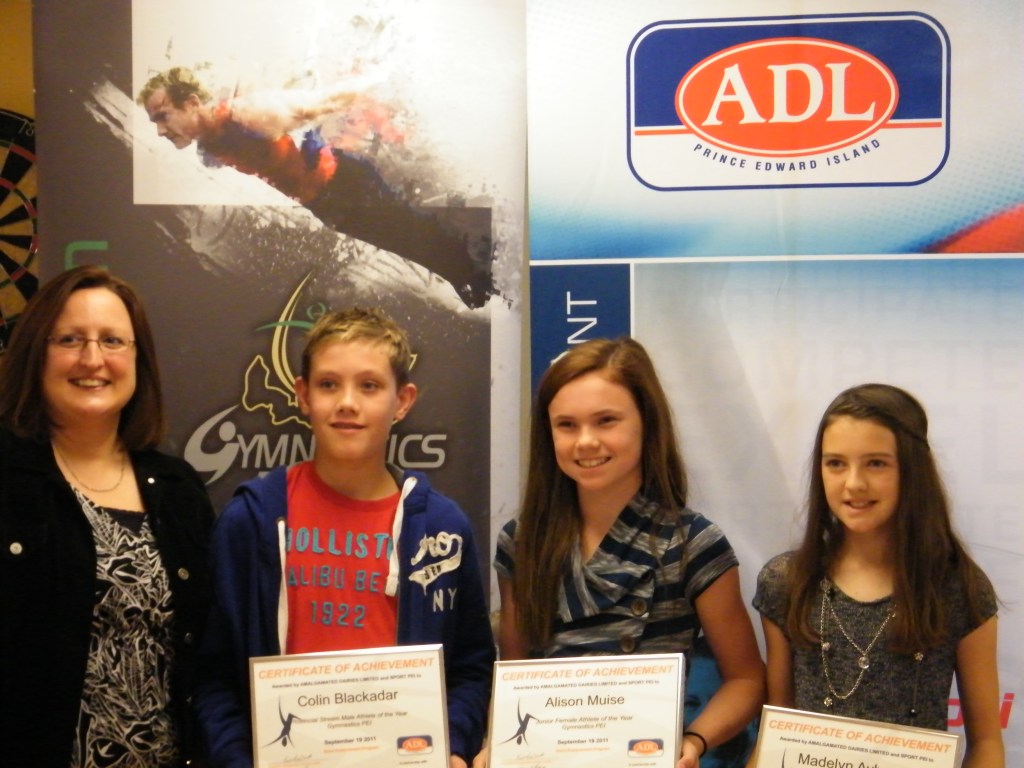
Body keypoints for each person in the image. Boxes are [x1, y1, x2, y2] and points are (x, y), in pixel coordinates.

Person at [195, 306, 495, 768]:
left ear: (403, 401)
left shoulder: (442, 528)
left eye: (369, 385)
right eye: (329, 384)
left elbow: (471, 665)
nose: (347, 402)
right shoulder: (251, 521)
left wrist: (452, 745)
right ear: (302, 395)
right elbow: (213, 674)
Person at [489, 337, 765, 768]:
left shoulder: (693, 543)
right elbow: (514, 676)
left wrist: (692, 742)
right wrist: (498, 742)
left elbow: (746, 679)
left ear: (647, 423)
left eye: (606, 421)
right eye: (566, 425)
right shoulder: (521, 544)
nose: (585, 441)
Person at [0, 265, 214, 767]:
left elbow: (206, 656)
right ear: (36, 352)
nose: (92, 358)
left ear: (138, 358)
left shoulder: (179, 490)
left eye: (113, 341)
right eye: (70, 339)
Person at [753, 383, 1004, 767]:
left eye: (876, 463)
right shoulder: (786, 582)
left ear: (912, 469)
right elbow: (777, 735)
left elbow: (987, 743)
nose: (854, 483)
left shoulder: (958, 587)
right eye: (835, 463)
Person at [137, 67, 494, 309]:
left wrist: (378, 78)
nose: (160, 130)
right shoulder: (208, 142)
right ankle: (468, 276)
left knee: (418, 233)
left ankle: (486, 269)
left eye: (163, 116)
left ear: (193, 103)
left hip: (347, 186)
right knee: (407, 244)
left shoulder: (248, 115)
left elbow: (321, 102)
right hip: (328, 204)